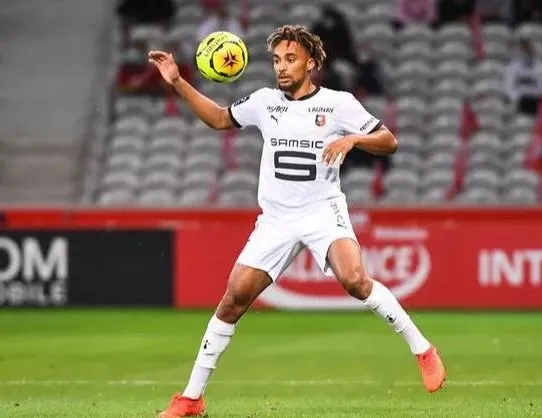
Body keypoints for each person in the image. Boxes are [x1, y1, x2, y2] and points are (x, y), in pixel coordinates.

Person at [148, 25, 446, 418]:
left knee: (355, 280)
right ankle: (191, 398)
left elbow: (389, 140)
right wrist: (177, 82)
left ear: (311, 63)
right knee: (233, 299)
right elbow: (219, 119)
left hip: (322, 211)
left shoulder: (338, 104)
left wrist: (353, 139)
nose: (282, 67)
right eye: (276, 60)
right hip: (276, 219)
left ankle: (422, 349)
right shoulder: (264, 102)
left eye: (290, 59)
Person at [504, 38, 542, 116]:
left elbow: (540, 88)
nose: (527, 52)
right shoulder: (513, 67)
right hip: (519, 101)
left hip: (535, 101)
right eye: (524, 49)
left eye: (528, 49)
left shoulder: (539, 66)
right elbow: (508, 87)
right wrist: (517, 97)